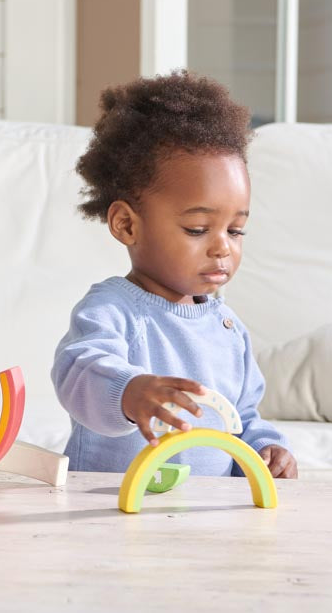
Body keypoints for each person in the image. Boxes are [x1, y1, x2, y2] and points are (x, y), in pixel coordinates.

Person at [51, 70, 297, 479]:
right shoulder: (111, 310)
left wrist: (266, 450)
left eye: (236, 230)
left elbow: (242, 418)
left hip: (202, 523)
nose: (223, 247)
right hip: (104, 511)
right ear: (127, 225)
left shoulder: (228, 329)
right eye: (198, 230)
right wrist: (129, 391)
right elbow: (79, 371)